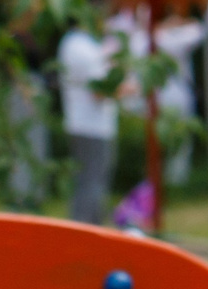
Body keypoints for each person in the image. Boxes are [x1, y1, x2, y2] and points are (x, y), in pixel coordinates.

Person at [55, 22, 124, 224]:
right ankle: (86, 230)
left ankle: (84, 229)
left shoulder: (73, 43)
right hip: (92, 126)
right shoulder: (83, 47)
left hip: (84, 124)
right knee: (92, 184)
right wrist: (128, 88)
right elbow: (99, 90)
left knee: (87, 183)